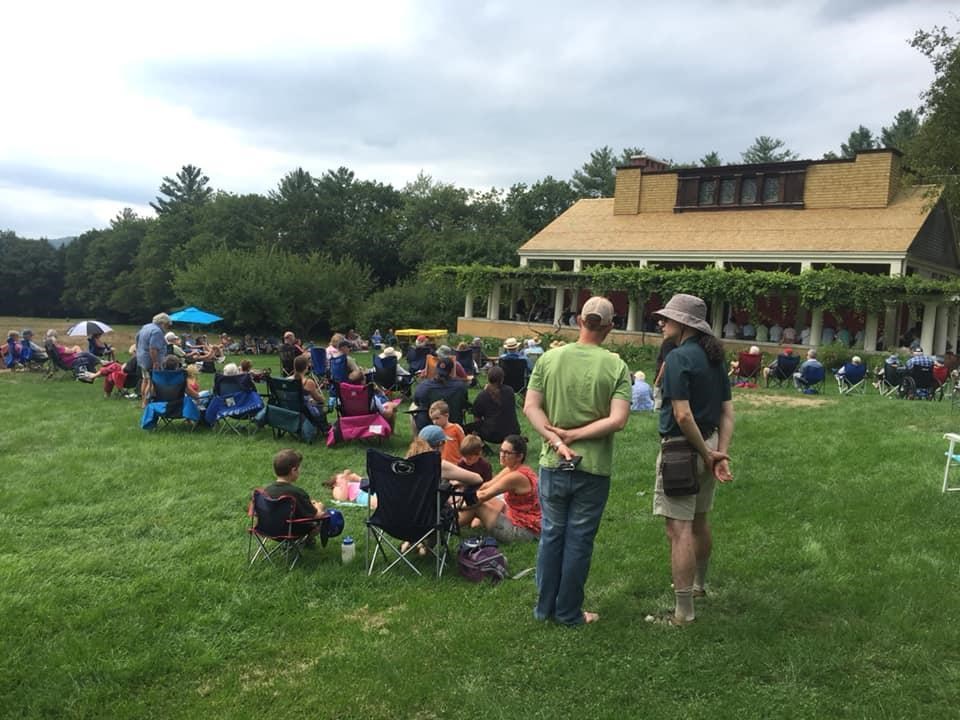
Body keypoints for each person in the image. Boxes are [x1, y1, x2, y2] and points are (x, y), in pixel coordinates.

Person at [524, 295, 631, 626]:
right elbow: (618, 420)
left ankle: (544, 610)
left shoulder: (550, 359)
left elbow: (531, 407)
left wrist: (557, 439)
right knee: (579, 540)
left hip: (553, 463)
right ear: (610, 327)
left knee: (552, 535)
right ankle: (569, 612)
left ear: (579, 321)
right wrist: (575, 436)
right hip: (593, 466)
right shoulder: (616, 365)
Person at [651, 293, 734, 627]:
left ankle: (683, 612)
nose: (662, 322)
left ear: (684, 324)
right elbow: (728, 412)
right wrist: (719, 452)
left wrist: (706, 453)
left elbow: (682, 416)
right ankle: (699, 585)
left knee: (679, 529)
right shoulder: (714, 358)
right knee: (700, 520)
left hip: (682, 450)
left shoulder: (678, 358)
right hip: (709, 442)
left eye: (667, 318)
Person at [458, 434, 542, 543]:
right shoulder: (513, 468)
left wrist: (458, 504)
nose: (502, 455)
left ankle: (445, 526)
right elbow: (487, 485)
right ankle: (449, 523)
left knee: (477, 506)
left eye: (507, 453)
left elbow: (483, 495)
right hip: (516, 516)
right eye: (501, 450)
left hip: (524, 531)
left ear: (519, 456)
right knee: (479, 501)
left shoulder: (516, 477)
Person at [263, 449, 327, 539]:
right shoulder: (296, 493)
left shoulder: (266, 491)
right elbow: (316, 515)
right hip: (290, 532)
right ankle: (305, 541)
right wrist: (319, 507)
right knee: (324, 516)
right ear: (293, 470)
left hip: (267, 529)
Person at [464, 366, 520, 443]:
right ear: (502, 378)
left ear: (488, 378)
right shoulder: (510, 391)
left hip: (493, 435)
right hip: (513, 432)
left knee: (467, 428)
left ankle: (481, 446)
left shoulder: (483, 395)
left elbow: (477, 418)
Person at [412, 358, 468, 431]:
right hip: (453, 425)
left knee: (413, 407)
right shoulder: (461, 387)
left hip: (428, 426)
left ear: (436, 370)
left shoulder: (424, 385)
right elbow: (464, 404)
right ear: (451, 371)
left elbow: (416, 402)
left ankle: (418, 439)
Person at [135, 312, 171, 408]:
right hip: (151, 360)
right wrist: (155, 362)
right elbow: (153, 348)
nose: (167, 328)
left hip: (142, 358)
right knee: (152, 382)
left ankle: (143, 400)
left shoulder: (145, 327)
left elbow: (137, 340)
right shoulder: (157, 331)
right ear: (163, 323)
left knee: (145, 379)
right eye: (167, 325)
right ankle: (146, 403)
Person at [429, 400, 465, 464]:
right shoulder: (434, 432)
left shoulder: (455, 428)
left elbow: (465, 446)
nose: (434, 422)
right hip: (441, 464)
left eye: (437, 418)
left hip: (456, 464)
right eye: (432, 419)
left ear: (446, 415)